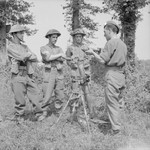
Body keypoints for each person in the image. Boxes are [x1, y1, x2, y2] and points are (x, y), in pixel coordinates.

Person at [85, 21, 127, 135]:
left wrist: (93, 53)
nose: (104, 34)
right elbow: (114, 56)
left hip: (112, 74)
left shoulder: (110, 43)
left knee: (111, 102)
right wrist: (98, 51)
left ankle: (116, 130)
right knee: (119, 102)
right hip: (121, 75)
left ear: (110, 30)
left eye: (104, 32)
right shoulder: (122, 44)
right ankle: (120, 125)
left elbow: (103, 60)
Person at [7, 24, 43, 121]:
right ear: (14, 34)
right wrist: (28, 55)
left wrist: (27, 55)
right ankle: (20, 118)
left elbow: (35, 58)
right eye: (21, 33)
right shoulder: (10, 47)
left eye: (23, 33)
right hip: (17, 75)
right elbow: (20, 57)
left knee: (36, 93)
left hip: (28, 74)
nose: (23, 35)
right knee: (20, 99)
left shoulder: (25, 46)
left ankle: (39, 115)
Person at [66, 28, 94, 119]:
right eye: (77, 36)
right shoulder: (70, 48)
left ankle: (91, 112)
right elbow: (67, 59)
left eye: (80, 37)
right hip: (75, 73)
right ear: (74, 37)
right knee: (75, 93)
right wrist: (71, 64)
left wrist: (85, 64)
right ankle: (73, 114)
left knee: (87, 92)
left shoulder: (86, 47)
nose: (78, 38)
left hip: (85, 73)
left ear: (82, 38)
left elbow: (90, 58)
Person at [39, 29, 66, 121]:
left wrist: (57, 57)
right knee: (47, 93)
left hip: (58, 72)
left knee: (60, 93)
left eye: (56, 37)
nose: (55, 39)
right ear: (49, 37)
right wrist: (58, 56)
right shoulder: (43, 48)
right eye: (53, 37)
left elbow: (63, 58)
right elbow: (48, 57)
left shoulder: (59, 48)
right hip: (49, 73)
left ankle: (58, 112)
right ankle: (44, 112)